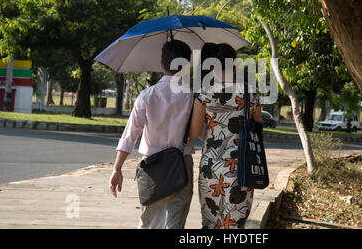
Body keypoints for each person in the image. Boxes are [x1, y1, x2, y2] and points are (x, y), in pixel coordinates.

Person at [109, 39, 194, 229]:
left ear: (162, 64)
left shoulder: (147, 96)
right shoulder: (193, 97)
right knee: (176, 219)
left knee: (149, 221)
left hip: (152, 165)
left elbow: (129, 135)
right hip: (182, 163)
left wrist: (117, 168)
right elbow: (199, 133)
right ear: (186, 66)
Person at [188, 43, 263, 229]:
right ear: (235, 64)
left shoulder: (203, 94)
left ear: (212, 66)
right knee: (234, 224)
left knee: (210, 222)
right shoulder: (250, 93)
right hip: (241, 167)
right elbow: (258, 128)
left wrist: (213, 130)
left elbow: (194, 133)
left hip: (210, 167)